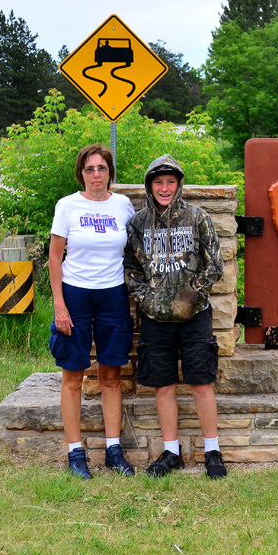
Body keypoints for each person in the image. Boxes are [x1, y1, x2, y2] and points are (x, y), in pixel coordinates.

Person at [124, 154, 228, 479]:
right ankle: (171, 453)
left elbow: (215, 264)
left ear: (179, 184)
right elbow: (130, 271)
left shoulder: (197, 218)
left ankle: (213, 451)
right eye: (159, 182)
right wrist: (151, 301)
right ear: (150, 186)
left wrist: (191, 296)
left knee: (201, 383)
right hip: (156, 320)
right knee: (163, 386)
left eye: (170, 182)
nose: (165, 188)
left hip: (195, 316)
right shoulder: (138, 224)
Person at [48, 144, 137, 479]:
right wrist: (60, 304)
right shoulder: (67, 206)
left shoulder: (122, 206)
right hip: (75, 294)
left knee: (111, 375)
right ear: (81, 173)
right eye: (90, 169)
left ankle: (114, 450)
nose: (96, 175)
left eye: (101, 168)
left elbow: (135, 248)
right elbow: (54, 258)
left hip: (112, 295)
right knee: (73, 376)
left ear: (110, 171)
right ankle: (75, 452)